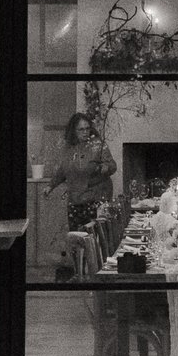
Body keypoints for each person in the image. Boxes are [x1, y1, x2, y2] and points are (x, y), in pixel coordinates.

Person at [43, 112, 115, 275]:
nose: (85, 132)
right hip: (75, 199)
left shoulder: (98, 145)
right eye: (81, 129)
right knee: (75, 237)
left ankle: (96, 273)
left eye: (87, 129)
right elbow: (63, 170)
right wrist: (50, 186)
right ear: (73, 131)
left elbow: (112, 165)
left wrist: (104, 168)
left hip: (95, 198)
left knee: (93, 238)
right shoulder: (68, 149)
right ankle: (78, 273)